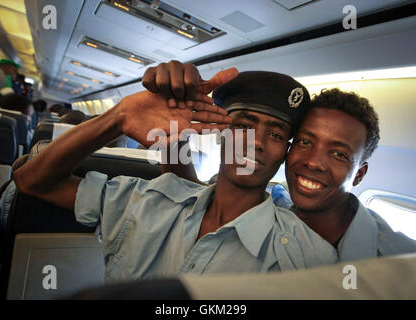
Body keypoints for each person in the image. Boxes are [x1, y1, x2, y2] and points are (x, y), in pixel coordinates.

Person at [14, 67, 347, 282]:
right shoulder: (146, 200)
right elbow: (31, 180)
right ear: (219, 131)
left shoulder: (308, 258)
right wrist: (119, 116)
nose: (256, 143)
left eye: (276, 134)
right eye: (243, 125)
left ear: (285, 151)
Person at [145, 61, 416, 260]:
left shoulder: (399, 260)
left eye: (339, 154)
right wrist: (173, 128)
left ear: (359, 175)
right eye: (305, 142)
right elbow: (191, 195)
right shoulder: (275, 202)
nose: (313, 162)